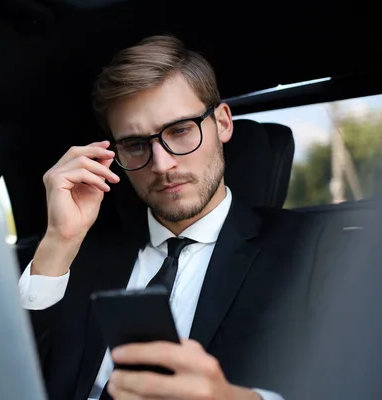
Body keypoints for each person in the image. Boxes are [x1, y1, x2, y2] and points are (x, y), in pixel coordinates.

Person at [18, 35, 327, 400]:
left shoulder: (312, 249)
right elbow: (10, 377)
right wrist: (60, 241)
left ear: (224, 124)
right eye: (135, 145)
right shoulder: (79, 257)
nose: (163, 166)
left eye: (180, 131)